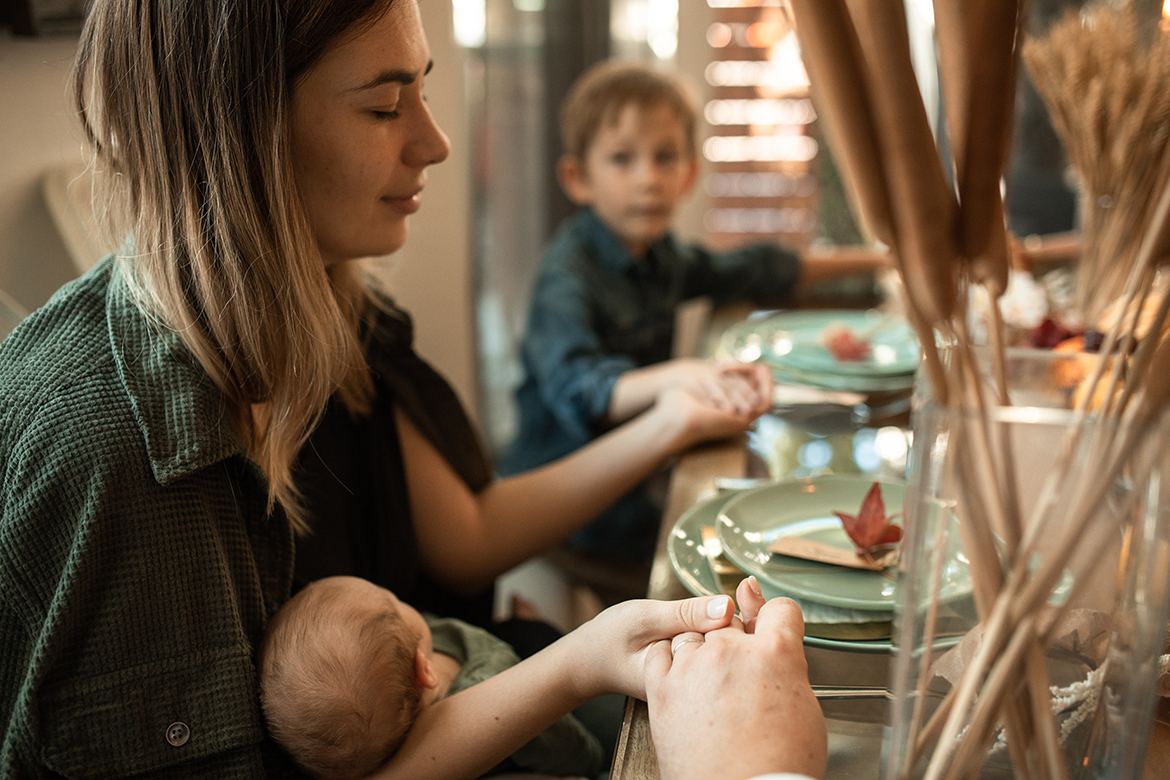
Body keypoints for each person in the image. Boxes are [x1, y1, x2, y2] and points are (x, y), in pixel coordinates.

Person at [0, 0, 825, 777]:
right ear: (239, 137)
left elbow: (463, 537)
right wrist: (581, 660)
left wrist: (671, 428)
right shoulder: (109, 464)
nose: (435, 142)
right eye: (386, 106)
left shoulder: (328, 310)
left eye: (423, 90)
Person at [500, 61, 886, 560]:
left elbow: (758, 268)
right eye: (622, 159)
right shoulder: (565, 278)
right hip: (565, 516)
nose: (648, 179)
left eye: (665, 158)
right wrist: (679, 376)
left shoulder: (661, 256)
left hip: (630, 490)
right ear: (577, 178)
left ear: (689, 175)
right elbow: (582, 391)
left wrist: (884, 257)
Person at [259, 576, 603, 779]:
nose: (397, 598)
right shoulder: (488, 688)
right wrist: (595, 758)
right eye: (392, 601)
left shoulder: (395, 664)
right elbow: (559, 739)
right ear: (425, 670)